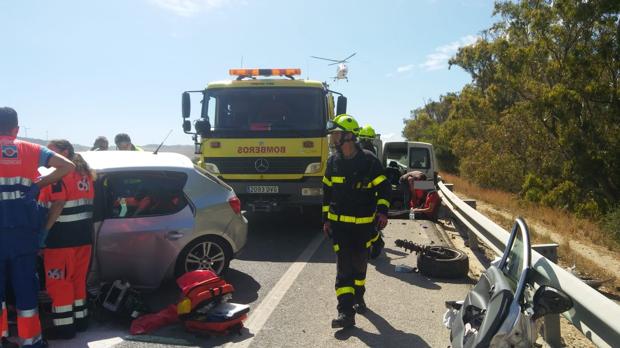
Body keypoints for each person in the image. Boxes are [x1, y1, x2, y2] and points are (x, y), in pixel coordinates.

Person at [0, 107, 74, 348]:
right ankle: (31, 341)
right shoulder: (30, 149)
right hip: (23, 231)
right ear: (16, 129)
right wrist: (36, 185)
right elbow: (67, 166)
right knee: (25, 289)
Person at [322, 114, 390, 329]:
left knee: (359, 265)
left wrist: (383, 211)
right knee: (344, 268)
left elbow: (384, 188)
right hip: (340, 227)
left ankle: (359, 295)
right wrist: (326, 219)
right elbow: (326, 192)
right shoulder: (333, 162)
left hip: (363, 226)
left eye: (336, 135)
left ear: (348, 136)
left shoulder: (369, 161)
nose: (333, 139)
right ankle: (345, 312)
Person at [39, 139, 95, 340]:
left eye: (52, 151)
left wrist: (43, 233)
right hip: (83, 239)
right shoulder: (85, 174)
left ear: (65, 152)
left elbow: (59, 203)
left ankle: (64, 328)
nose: (48, 156)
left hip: (60, 240)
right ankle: (80, 322)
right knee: (77, 281)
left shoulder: (59, 175)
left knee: (59, 283)